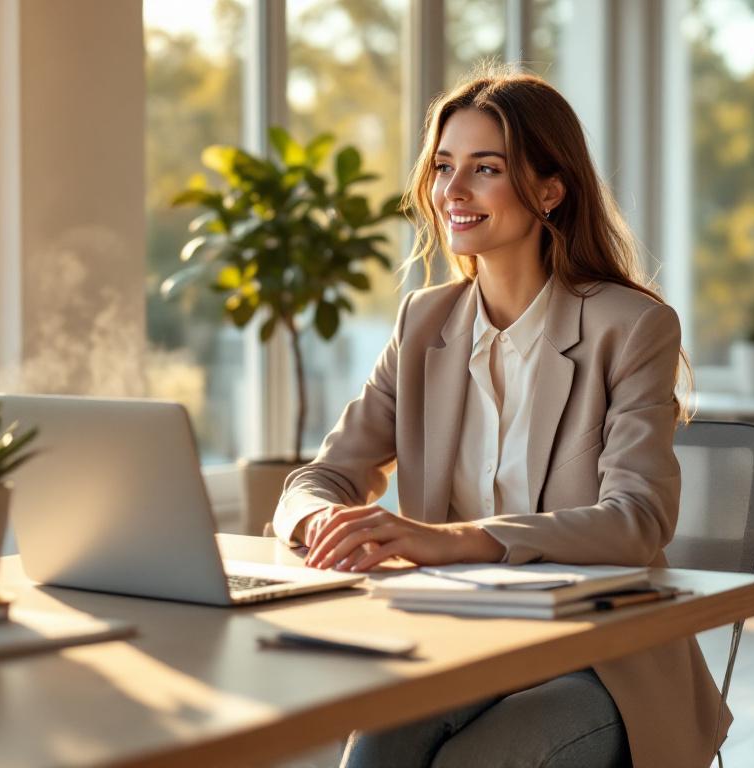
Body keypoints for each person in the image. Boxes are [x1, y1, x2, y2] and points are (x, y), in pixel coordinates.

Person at [271, 68, 727, 768]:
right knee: (374, 755)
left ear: (550, 189)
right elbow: (322, 476)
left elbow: (637, 521)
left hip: (601, 659)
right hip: (460, 646)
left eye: (485, 169)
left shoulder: (631, 326)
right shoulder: (424, 324)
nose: (453, 192)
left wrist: (453, 541)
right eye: (444, 167)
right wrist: (322, 521)